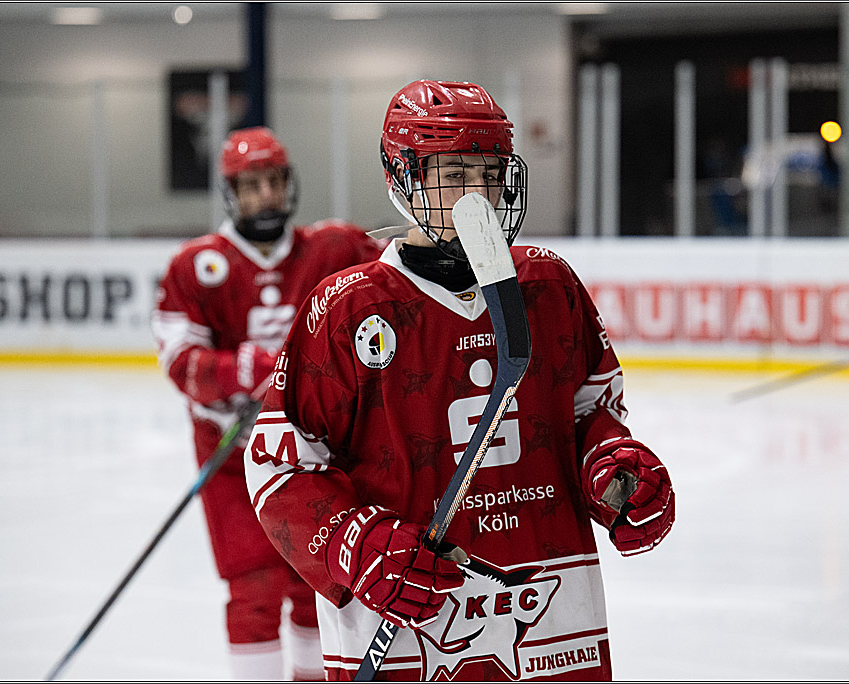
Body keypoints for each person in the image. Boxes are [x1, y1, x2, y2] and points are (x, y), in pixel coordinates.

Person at [243, 79, 676, 681]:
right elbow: (278, 468)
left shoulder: (549, 287)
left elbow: (590, 414)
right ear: (403, 176)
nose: (477, 193)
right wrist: (356, 545)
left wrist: (616, 471)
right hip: (409, 624)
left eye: (489, 172)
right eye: (454, 173)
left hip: (552, 617)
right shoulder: (347, 308)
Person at [151, 126, 382, 680]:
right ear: (232, 192)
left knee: (318, 582)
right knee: (252, 592)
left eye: (273, 182)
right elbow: (180, 362)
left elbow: (391, 298)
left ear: (289, 184)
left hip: (314, 458)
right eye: (250, 185)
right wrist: (246, 370)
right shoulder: (196, 265)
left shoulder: (335, 247)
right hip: (232, 459)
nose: (264, 196)